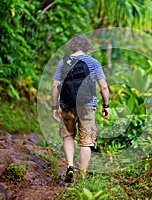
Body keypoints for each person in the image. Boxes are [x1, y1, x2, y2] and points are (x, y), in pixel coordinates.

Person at [51, 34, 109, 182]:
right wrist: (106, 105)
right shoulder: (93, 62)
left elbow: (54, 85)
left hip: (67, 104)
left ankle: (70, 166)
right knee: (86, 141)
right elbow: (103, 86)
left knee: (68, 135)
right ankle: (82, 176)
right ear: (86, 46)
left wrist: (54, 106)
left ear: (71, 46)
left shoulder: (63, 62)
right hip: (87, 104)